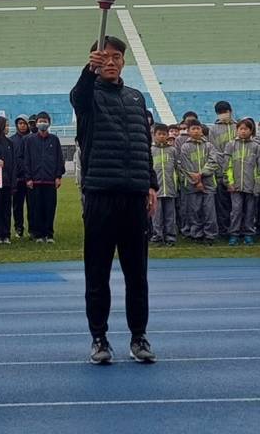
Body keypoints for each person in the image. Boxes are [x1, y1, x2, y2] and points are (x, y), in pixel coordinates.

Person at [71, 35, 158, 365]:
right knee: (98, 275)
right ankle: (99, 338)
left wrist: (150, 184)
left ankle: (139, 336)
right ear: (95, 61)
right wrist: (87, 71)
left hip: (134, 197)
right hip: (100, 195)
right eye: (103, 57)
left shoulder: (136, 98)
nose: (110, 62)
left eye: (116, 57)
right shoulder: (88, 96)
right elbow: (78, 96)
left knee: (137, 275)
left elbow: (143, 145)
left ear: (123, 61)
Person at [24, 112, 65, 242]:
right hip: (35, 181)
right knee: (36, 208)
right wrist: (28, 178)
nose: (43, 123)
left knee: (50, 208)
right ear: (36, 123)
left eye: (45, 121)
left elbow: (59, 159)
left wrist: (58, 176)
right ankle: (38, 234)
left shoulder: (54, 139)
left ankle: (49, 234)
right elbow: (27, 160)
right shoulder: (30, 140)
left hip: (50, 181)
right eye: (40, 121)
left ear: (49, 123)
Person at [223, 118, 260, 245]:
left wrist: (257, 186)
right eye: (241, 129)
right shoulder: (230, 145)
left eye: (246, 129)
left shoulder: (256, 147)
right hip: (235, 185)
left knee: (250, 211)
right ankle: (234, 234)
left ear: (251, 131)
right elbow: (227, 166)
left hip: (251, 185)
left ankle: (249, 234)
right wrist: (229, 182)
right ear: (237, 130)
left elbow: (259, 168)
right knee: (236, 210)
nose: (243, 131)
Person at [178, 121, 218, 245]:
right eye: (193, 129)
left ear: (202, 130)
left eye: (198, 128)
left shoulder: (209, 146)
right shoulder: (185, 147)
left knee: (209, 211)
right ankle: (196, 234)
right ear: (188, 131)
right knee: (194, 211)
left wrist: (201, 174)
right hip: (192, 185)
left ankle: (210, 235)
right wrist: (196, 181)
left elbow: (213, 162)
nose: (196, 131)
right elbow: (185, 166)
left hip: (208, 184)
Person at [209, 101, 237, 238]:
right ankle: (224, 229)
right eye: (220, 113)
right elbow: (213, 150)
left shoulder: (238, 126)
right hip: (221, 171)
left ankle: (237, 229)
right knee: (222, 203)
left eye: (225, 111)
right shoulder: (213, 129)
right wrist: (222, 165)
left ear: (230, 111)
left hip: (237, 171)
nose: (223, 114)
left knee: (237, 204)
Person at [150, 124, 180, 246]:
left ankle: (170, 237)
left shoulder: (172, 150)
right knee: (156, 216)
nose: (162, 136)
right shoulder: (151, 150)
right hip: (156, 189)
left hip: (170, 188)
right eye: (159, 134)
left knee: (170, 215)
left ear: (168, 135)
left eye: (164, 134)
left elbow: (178, 167)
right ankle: (157, 236)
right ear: (154, 135)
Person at [10, 115, 31, 239]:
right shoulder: (12, 140)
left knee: (32, 205)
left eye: (24, 123)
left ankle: (33, 229)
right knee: (17, 206)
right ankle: (18, 228)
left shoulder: (32, 138)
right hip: (17, 179)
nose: (22, 125)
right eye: (20, 123)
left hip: (31, 178)